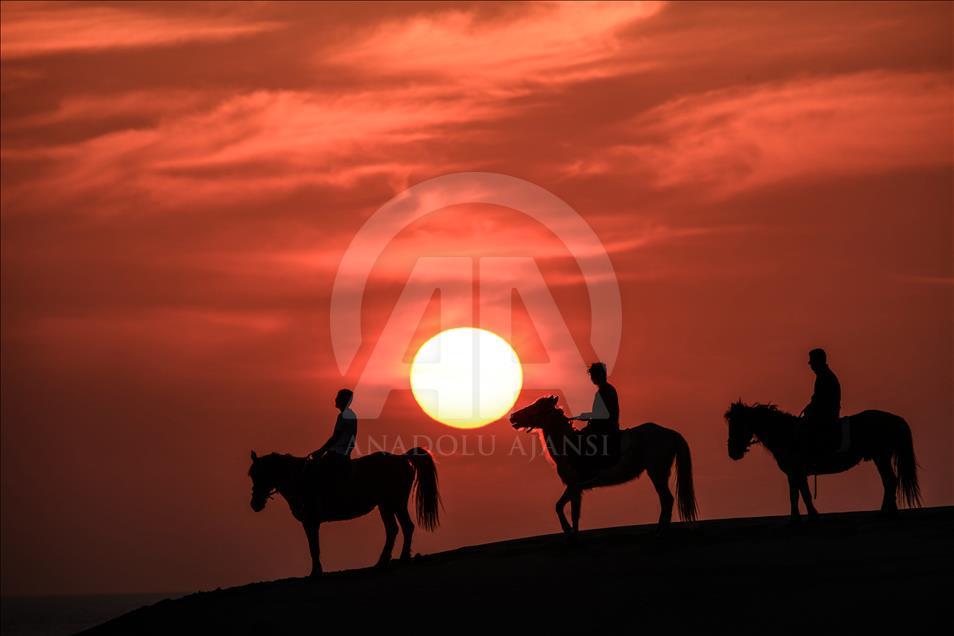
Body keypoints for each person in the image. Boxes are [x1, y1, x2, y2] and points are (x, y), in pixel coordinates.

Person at [307, 389, 357, 507]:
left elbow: (335, 437)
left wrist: (320, 451)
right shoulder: (351, 415)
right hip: (343, 453)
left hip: (337, 453)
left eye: (338, 397)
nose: (335, 399)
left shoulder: (343, 416)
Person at [573, 362, 620, 473]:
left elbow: (604, 414)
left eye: (594, 375)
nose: (592, 378)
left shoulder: (605, 391)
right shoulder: (606, 390)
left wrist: (587, 416)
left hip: (605, 429)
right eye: (592, 375)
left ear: (600, 375)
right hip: (605, 427)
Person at [801, 348, 842, 454]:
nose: (811, 365)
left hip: (826, 416)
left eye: (812, 362)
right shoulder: (824, 376)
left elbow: (821, 401)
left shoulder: (825, 377)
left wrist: (810, 409)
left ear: (817, 362)